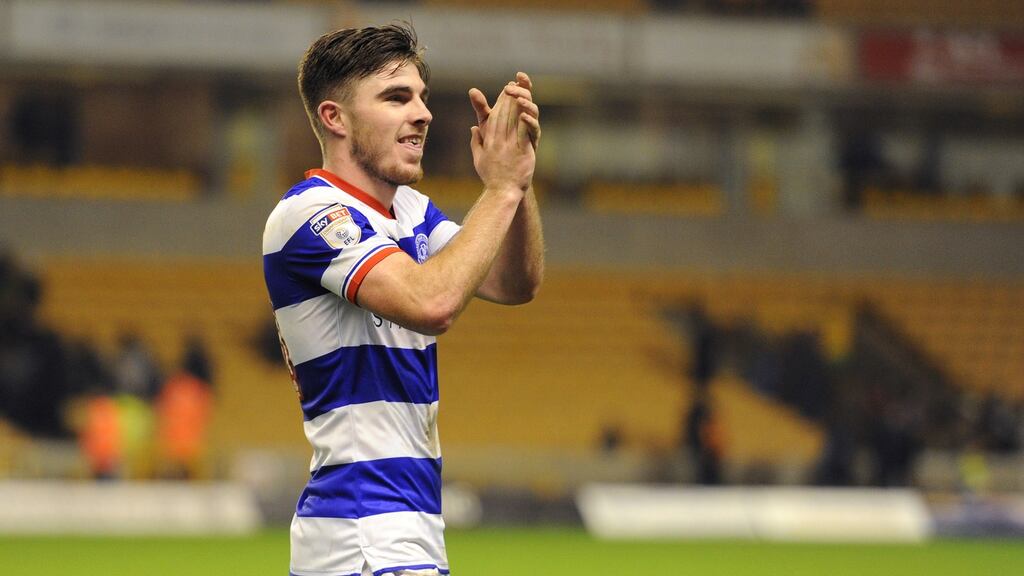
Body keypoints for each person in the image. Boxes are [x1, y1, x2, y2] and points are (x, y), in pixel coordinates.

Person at [262, 24, 543, 576]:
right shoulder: (312, 214)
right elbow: (433, 302)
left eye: (421, 97)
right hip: (363, 534)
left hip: (402, 530)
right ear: (334, 118)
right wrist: (500, 191)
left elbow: (514, 283)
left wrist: (519, 184)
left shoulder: (411, 211)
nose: (423, 113)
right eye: (396, 98)